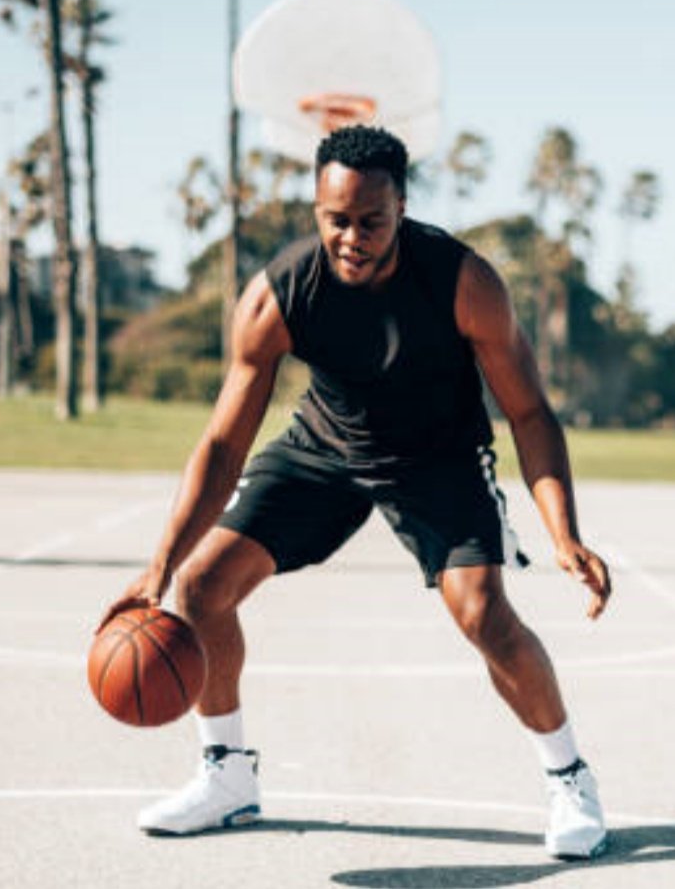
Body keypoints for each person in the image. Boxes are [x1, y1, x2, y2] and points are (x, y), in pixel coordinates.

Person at [99, 125, 613, 860]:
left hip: (438, 459)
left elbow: (529, 412)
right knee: (200, 585)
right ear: (315, 209)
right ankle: (228, 776)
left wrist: (562, 534)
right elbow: (221, 445)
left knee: (486, 618)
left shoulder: (464, 282)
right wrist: (158, 566)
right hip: (326, 447)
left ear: (402, 206)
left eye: (370, 220)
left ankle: (570, 780)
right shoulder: (279, 294)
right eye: (334, 219)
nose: (350, 237)